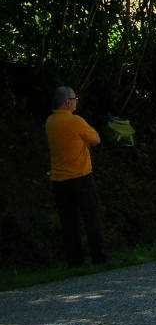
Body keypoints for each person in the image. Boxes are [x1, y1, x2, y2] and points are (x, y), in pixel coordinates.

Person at [45, 86, 107, 267]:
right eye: (74, 98)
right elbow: (95, 139)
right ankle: (99, 257)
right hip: (80, 177)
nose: (76, 101)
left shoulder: (50, 122)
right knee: (91, 218)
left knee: (69, 223)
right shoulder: (75, 121)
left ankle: (75, 261)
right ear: (67, 102)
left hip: (59, 180)